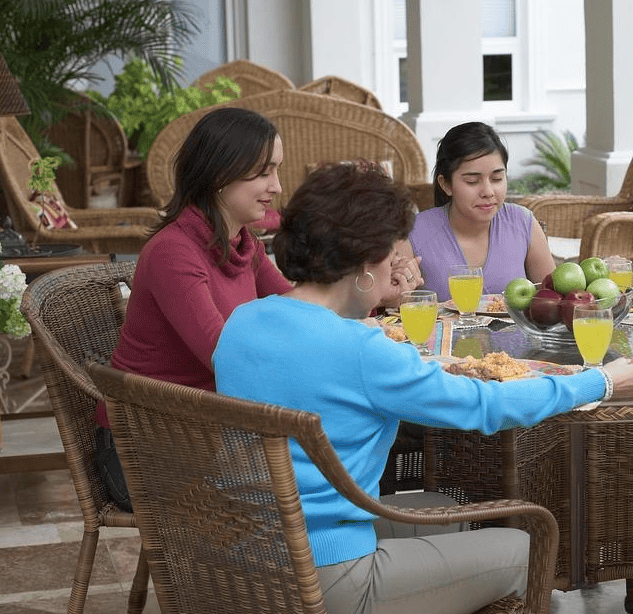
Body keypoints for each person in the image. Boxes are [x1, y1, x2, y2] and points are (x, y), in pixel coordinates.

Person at [212, 163, 633, 614]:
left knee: (449, 511)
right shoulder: (363, 351)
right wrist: (599, 381)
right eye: (398, 253)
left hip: (241, 567)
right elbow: (485, 405)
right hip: (327, 586)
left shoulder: (244, 321)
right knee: (523, 550)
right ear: (367, 263)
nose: (407, 263)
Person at [95, 106, 422, 510]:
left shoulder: (242, 245)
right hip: (149, 447)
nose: (277, 186)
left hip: (220, 425)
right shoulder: (173, 253)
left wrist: (372, 294)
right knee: (347, 430)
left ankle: (351, 549)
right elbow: (226, 361)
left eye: (277, 171)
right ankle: (331, 559)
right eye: (264, 172)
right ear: (219, 174)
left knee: (366, 428)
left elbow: (308, 313)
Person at [410, 121, 554, 300]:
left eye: (497, 178)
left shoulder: (523, 222)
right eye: (472, 181)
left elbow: (553, 300)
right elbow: (391, 309)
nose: (488, 192)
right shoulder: (413, 233)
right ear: (446, 184)